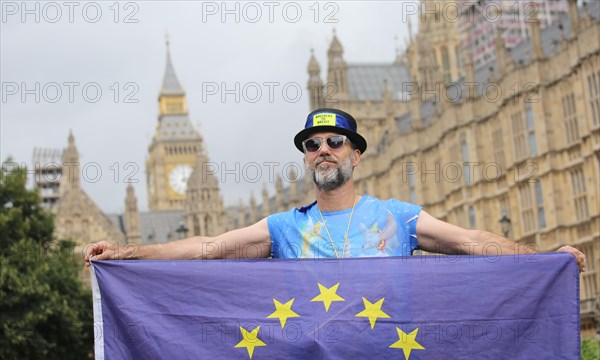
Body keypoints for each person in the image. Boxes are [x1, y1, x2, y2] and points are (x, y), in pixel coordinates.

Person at [85, 108, 586, 272]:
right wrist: (128, 253)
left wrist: (545, 258)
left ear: (355, 154)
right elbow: (207, 247)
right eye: (312, 144)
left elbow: (472, 241)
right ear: (306, 157)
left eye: (334, 142)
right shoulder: (285, 227)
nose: (323, 149)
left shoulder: (398, 216)